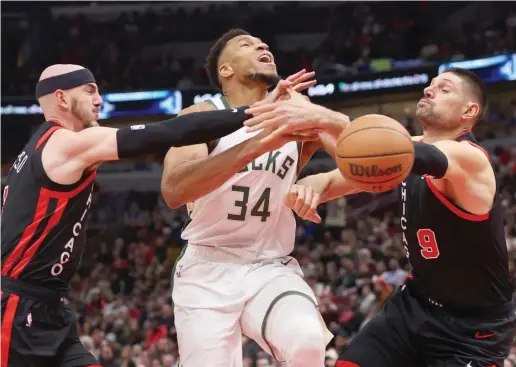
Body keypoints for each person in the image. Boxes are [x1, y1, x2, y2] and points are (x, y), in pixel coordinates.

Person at [0, 63, 294, 367]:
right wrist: (254, 112)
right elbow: (167, 132)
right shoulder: (64, 144)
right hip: (19, 311)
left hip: (51, 307)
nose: (99, 100)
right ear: (61, 98)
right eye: (90, 92)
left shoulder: (35, 149)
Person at [245, 68, 516, 367]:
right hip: (416, 304)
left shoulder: (471, 159)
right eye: (430, 85)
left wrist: (321, 117)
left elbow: (387, 147)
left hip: (471, 329)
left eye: (444, 89)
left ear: (470, 111)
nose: (429, 90)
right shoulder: (406, 149)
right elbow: (353, 169)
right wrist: (317, 184)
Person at [161, 29, 348, 367]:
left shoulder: (296, 109)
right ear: (226, 71)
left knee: (307, 343)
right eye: (246, 45)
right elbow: (174, 190)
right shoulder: (200, 115)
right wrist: (256, 142)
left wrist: (319, 171)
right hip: (207, 268)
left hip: (270, 264)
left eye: (264, 43)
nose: (263, 45)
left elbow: (358, 164)